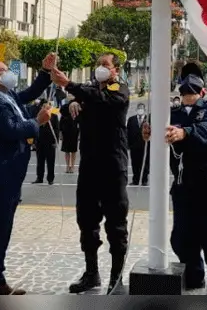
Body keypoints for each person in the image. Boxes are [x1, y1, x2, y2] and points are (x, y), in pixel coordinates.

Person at [0, 54, 57, 296]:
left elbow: (28, 94)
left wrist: (45, 71)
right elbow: (12, 130)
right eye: (3, 71)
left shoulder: (5, 95)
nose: (9, 74)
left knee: (1, 233)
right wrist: (37, 122)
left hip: (8, 177)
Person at [58, 52, 131, 295]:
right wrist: (71, 103)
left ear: (115, 70)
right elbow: (68, 108)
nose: (100, 68)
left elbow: (104, 100)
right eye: (98, 64)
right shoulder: (89, 91)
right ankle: (91, 273)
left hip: (113, 166)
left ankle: (116, 279)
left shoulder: (119, 90)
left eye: (105, 65)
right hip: (89, 166)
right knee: (87, 221)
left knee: (116, 225)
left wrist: (70, 85)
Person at [167, 66, 207, 294]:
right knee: (185, 243)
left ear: (203, 90)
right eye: (185, 92)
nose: (188, 95)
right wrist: (149, 132)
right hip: (183, 188)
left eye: (193, 91)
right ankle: (194, 289)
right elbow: (157, 130)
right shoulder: (173, 112)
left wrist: (185, 132)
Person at [32, 99, 59, 185]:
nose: (45, 107)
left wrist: (56, 142)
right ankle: (39, 177)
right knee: (40, 161)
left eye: (47, 105)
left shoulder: (54, 116)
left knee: (50, 161)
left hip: (50, 142)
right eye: (43, 106)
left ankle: (50, 178)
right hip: (40, 141)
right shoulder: (38, 116)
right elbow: (34, 129)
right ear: (41, 107)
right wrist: (34, 141)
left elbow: (56, 130)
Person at [127, 102, 151, 186]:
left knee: (145, 163)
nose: (140, 109)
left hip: (146, 145)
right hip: (134, 146)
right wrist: (128, 144)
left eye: (142, 108)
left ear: (144, 109)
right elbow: (128, 132)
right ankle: (135, 180)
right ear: (136, 109)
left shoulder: (148, 119)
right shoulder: (131, 119)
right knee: (135, 163)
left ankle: (144, 180)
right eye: (139, 108)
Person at [60, 95, 79, 173]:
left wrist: (61, 132)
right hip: (73, 131)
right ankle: (72, 167)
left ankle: (68, 166)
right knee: (73, 151)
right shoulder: (76, 107)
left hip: (67, 131)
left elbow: (61, 121)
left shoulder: (64, 108)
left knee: (67, 151)